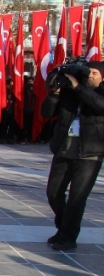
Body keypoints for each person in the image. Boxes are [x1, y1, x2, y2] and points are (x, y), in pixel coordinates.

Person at [41, 61, 104, 251]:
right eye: (88, 72)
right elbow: (46, 113)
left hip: (89, 154)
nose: (91, 75)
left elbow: (99, 106)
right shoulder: (69, 93)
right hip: (64, 149)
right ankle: (63, 228)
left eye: (95, 73)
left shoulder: (98, 92)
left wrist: (78, 87)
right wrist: (55, 92)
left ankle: (68, 237)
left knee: (77, 199)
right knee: (54, 193)